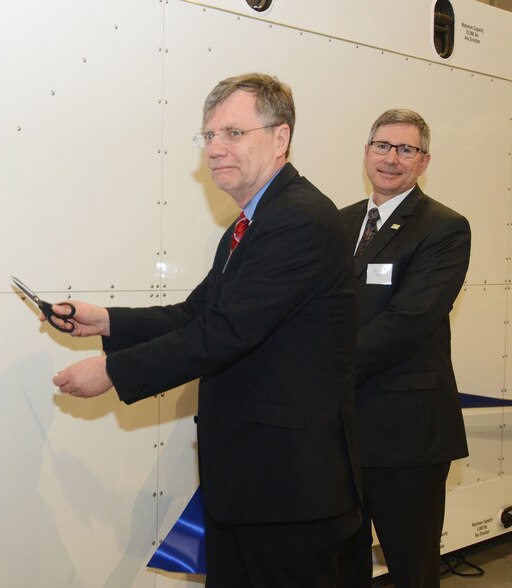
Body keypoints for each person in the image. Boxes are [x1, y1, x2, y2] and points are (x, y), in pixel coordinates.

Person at [50, 73, 362, 587]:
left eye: (233, 133)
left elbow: (224, 333)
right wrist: (105, 321)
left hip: (288, 490)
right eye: (209, 135)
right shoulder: (251, 223)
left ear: (280, 138)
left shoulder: (297, 220)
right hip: (251, 484)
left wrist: (112, 371)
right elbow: (198, 314)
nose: (215, 148)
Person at [337, 109, 470, 588]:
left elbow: (407, 324)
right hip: (341, 434)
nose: (391, 159)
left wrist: (321, 368)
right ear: (367, 152)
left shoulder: (444, 228)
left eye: (406, 149)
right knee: (341, 567)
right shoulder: (340, 222)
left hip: (407, 438)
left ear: (424, 160)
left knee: (412, 569)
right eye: (382, 146)